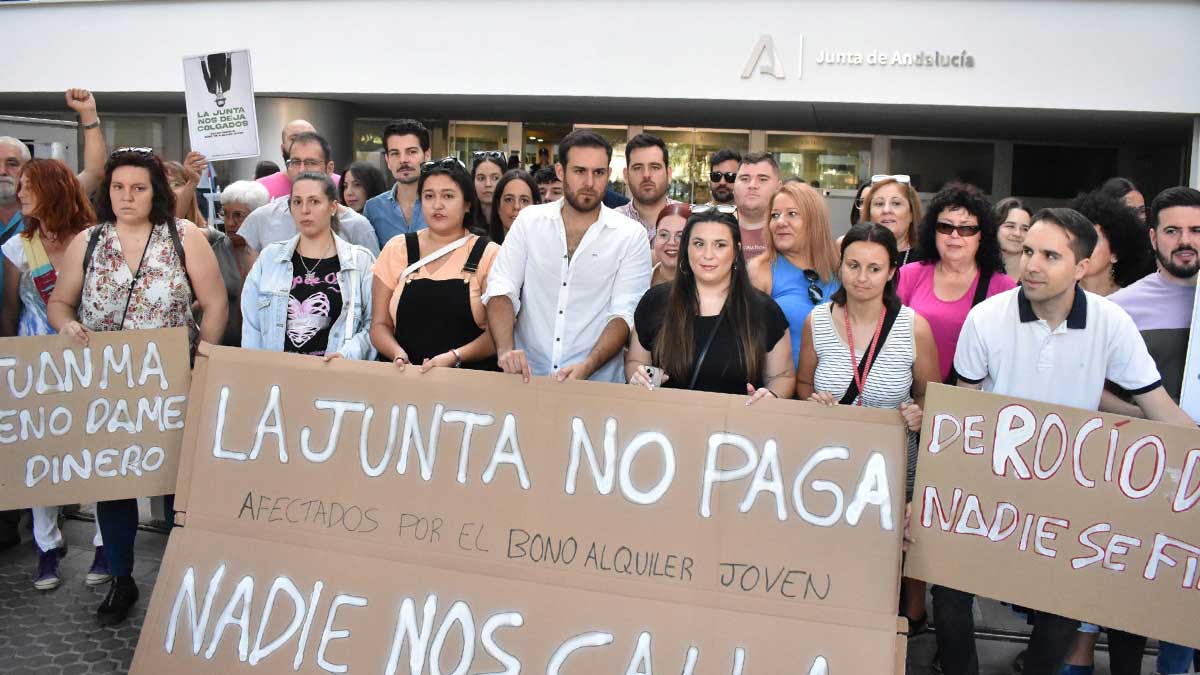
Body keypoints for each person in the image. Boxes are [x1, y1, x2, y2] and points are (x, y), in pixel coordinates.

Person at [944, 207, 1193, 675]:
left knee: (1059, 616)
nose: (1032, 265)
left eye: (1051, 255)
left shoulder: (1110, 323)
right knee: (951, 596)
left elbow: (1158, 407)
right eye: (1029, 251)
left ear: (1081, 267)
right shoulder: (984, 319)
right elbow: (963, 413)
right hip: (985, 489)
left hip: (1064, 501)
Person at [47, 147, 228, 626]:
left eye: (140, 188)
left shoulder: (183, 236)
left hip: (172, 384)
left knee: (175, 490)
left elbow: (214, 304)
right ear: (108, 192)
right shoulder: (87, 241)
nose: (128, 196)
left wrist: (201, 362)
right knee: (114, 485)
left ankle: (179, 583)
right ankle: (121, 579)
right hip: (107, 389)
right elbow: (61, 303)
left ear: (158, 193)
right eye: (119, 187)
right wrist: (65, 325)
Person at [795, 221, 939, 635]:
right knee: (840, 558)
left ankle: (909, 627)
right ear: (840, 267)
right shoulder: (817, 321)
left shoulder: (914, 327)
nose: (862, 277)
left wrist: (920, 413)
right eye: (853, 265)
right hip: (831, 469)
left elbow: (932, 396)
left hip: (894, 470)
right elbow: (804, 385)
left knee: (899, 557)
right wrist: (813, 402)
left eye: (874, 268)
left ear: (892, 271)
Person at [0, 159, 109, 592]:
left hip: (89, 361)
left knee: (100, 452)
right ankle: (47, 543)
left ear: (53, 189)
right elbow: (9, 312)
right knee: (39, 455)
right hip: (37, 367)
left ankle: (106, 541)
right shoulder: (16, 248)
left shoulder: (96, 241)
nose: (19, 192)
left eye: (28, 186)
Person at [1105, 187, 1200, 675]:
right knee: (1142, 587)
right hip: (1147, 475)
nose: (1186, 241)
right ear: (1153, 237)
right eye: (1173, 230)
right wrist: (1145, 418)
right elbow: (1096, 388)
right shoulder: (1124, 307)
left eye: (1196, 230)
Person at [483, 129, 651, 383]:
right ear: (561, 172)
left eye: (599, 172)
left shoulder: (630, 235)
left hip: (597, 385)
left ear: (609, 174)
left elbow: (623, 314)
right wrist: (506, 350)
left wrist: (588, 365)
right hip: (526, 377)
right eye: (580, 171)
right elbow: (501, 287)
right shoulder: (530, 221)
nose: (589, 182)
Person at [626, 210, 794, 401]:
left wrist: (771, 395)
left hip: (737, 426)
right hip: (664, 424)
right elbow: (636, 361)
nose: (708, 255)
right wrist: (642, 377)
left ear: (736, 250)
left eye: (720, 245)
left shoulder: (764, 310)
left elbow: (782, 376)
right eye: (699, 244)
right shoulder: (655, 301)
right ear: (686, 248)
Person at [371, 157, 500, 370]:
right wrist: (396, 353)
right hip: (405, 379)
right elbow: (379, 324)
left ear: (467, 204)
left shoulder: (489, 254)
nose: (437, 205)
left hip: (468, 384)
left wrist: (454, 356)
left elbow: (499, 334)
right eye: (429, 196)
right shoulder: (397, 248)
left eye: (448, 196)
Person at [241, 172, 375, 359]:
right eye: (297, 202)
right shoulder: (270, 259)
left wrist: (347, 355)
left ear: (333, 207)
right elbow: (252, 328)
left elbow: (374, 325)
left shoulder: (360, 261)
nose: (305, 210)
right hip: (279, 378)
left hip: (336, 377)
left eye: (314, 201)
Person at [897, 182, 1015, 383]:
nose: (954, 235)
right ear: (932, 231)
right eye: (945, 226)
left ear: (982, 235)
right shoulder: (908, 275)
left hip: (968, 403)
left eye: (967, 229)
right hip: (909, 399)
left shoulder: (1004, 288)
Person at [239, 132, 379, 255]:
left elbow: (372, 281)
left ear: (329, 168)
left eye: (310, 162)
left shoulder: (357, 226)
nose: (301, 170)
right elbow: (249, 276)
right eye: (295, 162)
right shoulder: (262, 218)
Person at [747, 181, 840, 367]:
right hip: (778, 390)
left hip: (835, 392)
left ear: (815, 221)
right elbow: (747, 341)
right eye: (775, 215)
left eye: (792, 213)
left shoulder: (841, 269)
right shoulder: (760, 270)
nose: (780, 222)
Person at [165, 156, 243, 346]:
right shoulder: (155, 237)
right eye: (163, 185)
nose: (170, 191)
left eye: (176, 184)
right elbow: (170, 228)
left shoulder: (211, 237)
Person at [1069, 190, 1153, 297]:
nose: (1081, 247)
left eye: (1092, 239)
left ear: (1115, 253)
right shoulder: (1057, 299)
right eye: (1077, 238)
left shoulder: (1131, 303)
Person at [364, 120, 431, 246]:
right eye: (395, 153)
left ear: (427, 155)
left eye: (411, 152)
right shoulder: (373, 208)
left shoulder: (441, 204)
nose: (403, 160)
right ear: (387, 160)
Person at [256, 119, 341, 199]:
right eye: (294, 139)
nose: (301, 143)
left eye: (309, 138)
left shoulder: (341, 184)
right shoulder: (260, 189)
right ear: (282, 149)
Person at [616, 133, 680, 238]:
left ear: (668, 174)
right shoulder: (611, 223)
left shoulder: (689, 219)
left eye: (655, 167)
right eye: (637, 167)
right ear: (626, 175)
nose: (646, 175)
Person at [860, 175, 924, 266]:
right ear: (869, 214)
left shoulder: (927, 259)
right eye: (879, 204)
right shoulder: (856, 254)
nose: (886, 210)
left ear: (911, 213)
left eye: (896, 203)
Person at [733, 152, 782, 260]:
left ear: (778, 187)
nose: (752, 185)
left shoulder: (791, 232)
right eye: (745, 179)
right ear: (734, 185)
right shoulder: (715, 228)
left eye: (763, 179)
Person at [217, 180, 270, 280]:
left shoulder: (272, 250)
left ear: (258, 216)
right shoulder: (215, 243)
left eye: (238, 215)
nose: (229, 223)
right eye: (225, 214)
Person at [491, 169, 540, 244]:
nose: (516, 206)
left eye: (524, 200)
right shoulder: (483, 251)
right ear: (498, 206)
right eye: (509, 199)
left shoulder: (547, 252)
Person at [651, 203, 690, 286]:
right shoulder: (639, 277)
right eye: (663, 235)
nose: (671, 242)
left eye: (680, 236)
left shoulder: (705, 286)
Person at [994, 196, 1032, 279]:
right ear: (995, 228)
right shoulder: (978, 273)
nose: (1017, 233)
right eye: (1010, 226)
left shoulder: (1036, 274)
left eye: (1025, 229)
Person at [472, 150, 508, 236]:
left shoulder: (514, 219)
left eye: (495, 178)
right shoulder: (463, 221)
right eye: (481, 178)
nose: (488, 184)